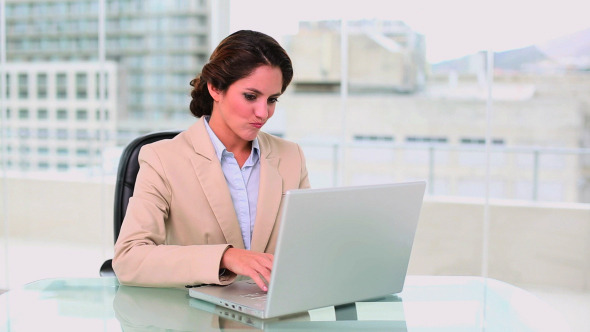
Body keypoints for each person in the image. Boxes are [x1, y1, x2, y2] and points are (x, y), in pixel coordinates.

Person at [112, 30, 310, 291]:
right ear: (216, 88)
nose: (263, 113)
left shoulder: (290, 156)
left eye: (272, 99)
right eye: (250, 96)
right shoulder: (162, 159)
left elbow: (307, 246)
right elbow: (128, 259)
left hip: (274, 314)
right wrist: (225, 257)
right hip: (195, 320)